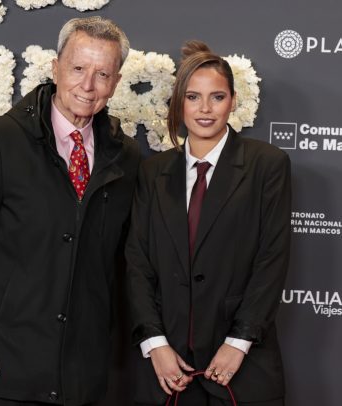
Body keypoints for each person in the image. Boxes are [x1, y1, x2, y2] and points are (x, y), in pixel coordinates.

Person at [0, 17, 140, 406]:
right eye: (78, 68)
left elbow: (120, 261)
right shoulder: (0, 139)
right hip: (11, 358)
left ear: (115, 83)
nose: (88, 85)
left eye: (102, 74)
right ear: (55, 68)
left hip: (86, 365)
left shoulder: (126, 155)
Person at [126, 41, 291, 406]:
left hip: (241, 368)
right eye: (192, 97)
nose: (204, 109)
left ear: (233, 100)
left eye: (216, 97)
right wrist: (155, 345)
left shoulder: (267, 165)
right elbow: (137, 262)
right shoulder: (152, 171)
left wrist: (238, 343)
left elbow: (272, 260)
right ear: (178, 102)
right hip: (167, 373)